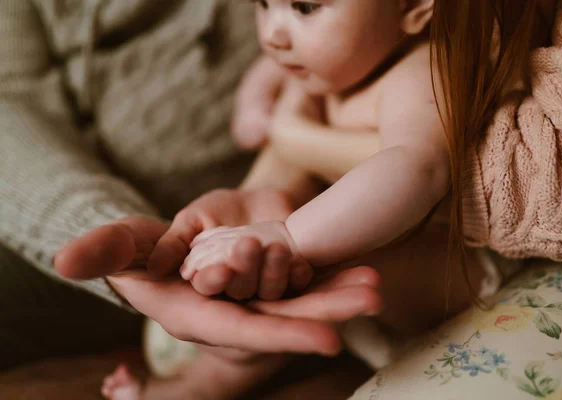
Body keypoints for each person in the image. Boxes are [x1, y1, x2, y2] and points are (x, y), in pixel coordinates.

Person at [61, 0, 562, 398]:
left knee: (313, 265)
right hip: (357, 273)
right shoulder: (336, 54)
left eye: (304, 6)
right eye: (263, 4)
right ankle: (189, 389)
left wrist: (292, 235)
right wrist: (258, 110)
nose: (273, 32)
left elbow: (418, 168)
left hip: (447, 276)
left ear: (415, 9)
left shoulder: (422, 73)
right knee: (264, 295)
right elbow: (265, 71)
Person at [0, 0, 382, 379]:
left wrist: (279, 179)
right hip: (59, 211)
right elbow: (10, 96)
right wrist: (96, 220)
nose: (271, 34)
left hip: (210, 231)